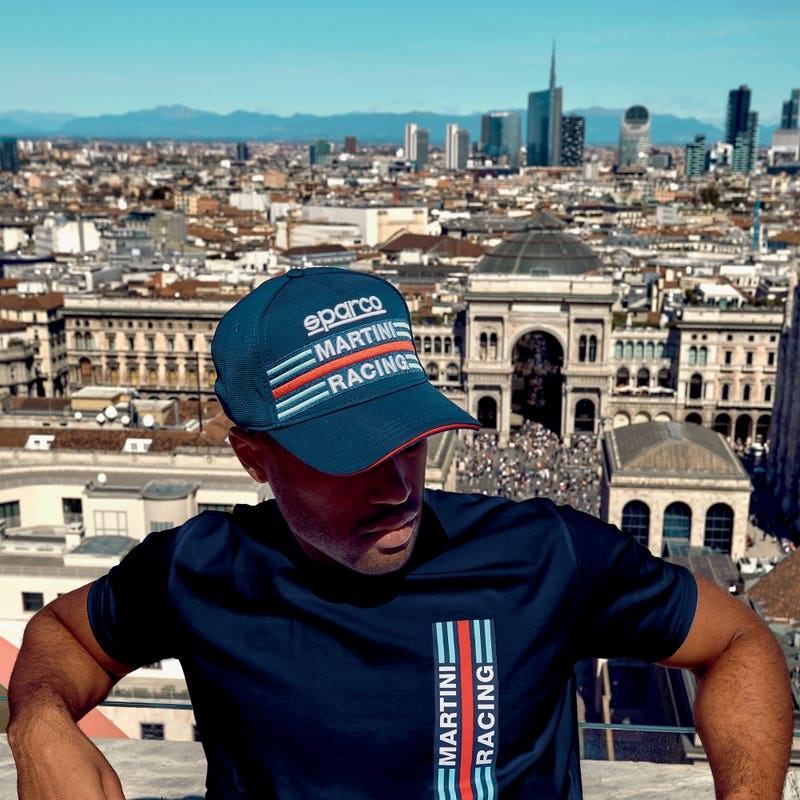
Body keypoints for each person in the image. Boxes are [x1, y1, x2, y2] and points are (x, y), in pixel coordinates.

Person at [7, 267, 792, 799]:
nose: (398, 486)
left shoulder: (541, 554)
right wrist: (39, 723)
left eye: (409, 441)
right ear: (253, 458)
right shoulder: (201, 568)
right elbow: (63, 637)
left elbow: (737, 641)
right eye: (348, 456)